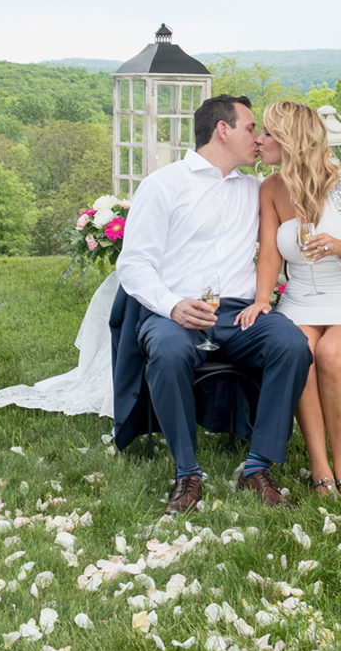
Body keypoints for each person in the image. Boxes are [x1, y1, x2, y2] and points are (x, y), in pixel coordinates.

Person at [111, 94, 313, 514]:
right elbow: (133, 265)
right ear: (223, 130)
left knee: (292, 344)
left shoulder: (257, 190)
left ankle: (257, 467)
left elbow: (312, 208)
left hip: (238, 311)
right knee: (167, 352)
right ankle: (187, 474)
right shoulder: (163, 185)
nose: (258, 138)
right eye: (251, 128)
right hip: (175, 313)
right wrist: (172, 306)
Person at [238, 100, 341, 500]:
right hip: (301, 302)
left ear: (291, 140)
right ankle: (320, 472)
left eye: (268, 133)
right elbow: (271, 253)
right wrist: (261, 299)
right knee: (299, 350)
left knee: (332, 353)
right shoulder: (270, 189)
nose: (259, 140)